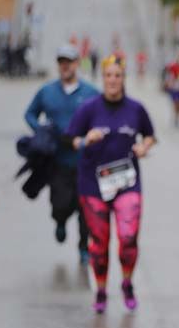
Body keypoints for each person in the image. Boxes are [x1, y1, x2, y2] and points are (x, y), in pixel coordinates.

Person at [66, 54, 156, 313]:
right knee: (100, 242)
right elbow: (70, 139)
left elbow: (150, 135)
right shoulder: (89, 109)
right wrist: (86, 140)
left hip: (127, 182)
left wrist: (143, 146)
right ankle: (102, 289)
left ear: (123, 78)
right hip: (93, 185)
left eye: (117, 75)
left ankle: (127, 283)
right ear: (102, 78)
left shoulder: (136, 109)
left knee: (128, 238)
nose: (113, 80)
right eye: (108, 76)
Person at [24, 44, 101, 264]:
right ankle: (59, 221)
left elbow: (101, 119)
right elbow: (30, 113)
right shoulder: (47, 91)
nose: (65, 66)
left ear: (77, 63)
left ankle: (83, 247)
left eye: (69, 61)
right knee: (60, 204)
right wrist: (41, 131)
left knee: (85, 208)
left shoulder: (90, 93)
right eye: (61, 62)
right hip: (58, 160)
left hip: (85, 161)